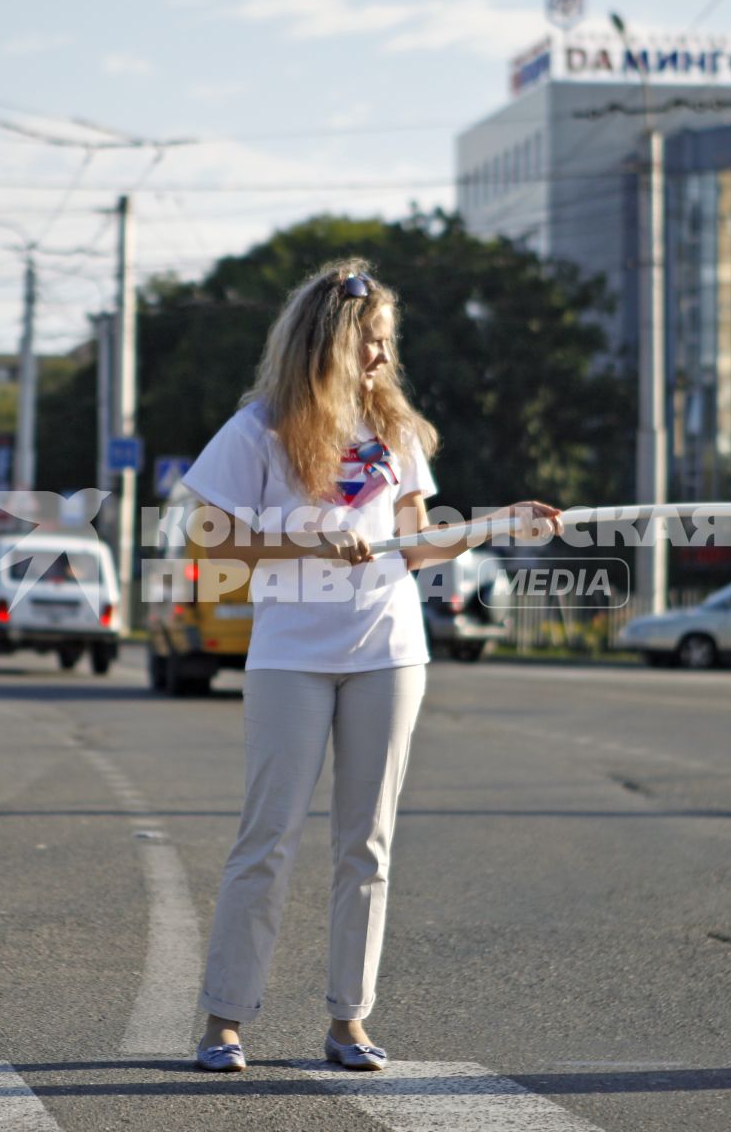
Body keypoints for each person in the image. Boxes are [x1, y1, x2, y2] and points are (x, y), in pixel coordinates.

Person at [178, 259, 560, 1073]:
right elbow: (211, 542)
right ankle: (224, 1020)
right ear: (328, 343)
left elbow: (417, 546)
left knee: (368, 844)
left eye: (388, 343)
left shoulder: (396, 434)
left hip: (390, 651)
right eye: (370, 343)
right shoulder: (260, 428)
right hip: (290, 656)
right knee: (268, 838)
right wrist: (307, 539)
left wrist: (497, 523)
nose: (383, 359)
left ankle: (349, 1021)